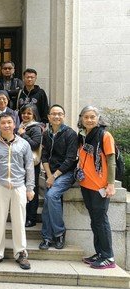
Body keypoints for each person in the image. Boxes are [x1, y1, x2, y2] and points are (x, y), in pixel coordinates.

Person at [0, 112, 34, 270]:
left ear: (14, 125)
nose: (6, 125)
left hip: (19, 186)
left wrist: (30, 187)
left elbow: (29, 167)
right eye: (3, 123)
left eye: (9, 122)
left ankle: (20, 253)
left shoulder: (24, 144)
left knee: (19, 221)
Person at [77, 106, 116, 269]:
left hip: (100, 185)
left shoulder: (105, 136)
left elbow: (111, 161)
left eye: (92, 117)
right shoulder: (83, 136)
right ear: (82, 119)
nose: (89, 120)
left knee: (101, 221)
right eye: (86, 117)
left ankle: (109, 257)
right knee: (95, 221)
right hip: (86, 184)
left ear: (98, 118)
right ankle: (99, 253)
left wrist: (111, 184)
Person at [39, 104, 77, 250]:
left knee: (52, 195)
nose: (56, 116)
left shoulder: (70, 134)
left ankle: (57, 233)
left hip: (66, 173)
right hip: (52, 174)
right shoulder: (46, 134)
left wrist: (54, 176)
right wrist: (49, 175)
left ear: (63, 116)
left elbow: (70, 159)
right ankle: (48, 238)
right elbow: (44, 156)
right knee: (49, 198)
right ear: (48, 117)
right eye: (53, 114)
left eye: (60, 114)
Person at [17, 104, 43, 228]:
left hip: (32, 164)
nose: (26, 115)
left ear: (34, 115)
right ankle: (24, 216)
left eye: (29, 113)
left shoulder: (36, 128)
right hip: (21, 163)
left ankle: (31, 218)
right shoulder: (22, 126)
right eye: (24, 113)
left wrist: (23, 135)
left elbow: (35, 145)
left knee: (31, 190)